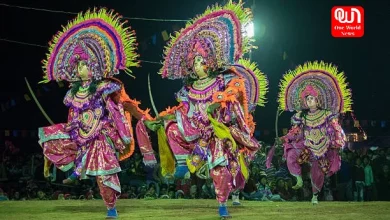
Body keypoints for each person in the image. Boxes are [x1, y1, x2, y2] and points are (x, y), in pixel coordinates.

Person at [143, 1, 268, 218]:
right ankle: (182, 164)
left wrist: (220, 102)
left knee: (220, 167)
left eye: (201, 60)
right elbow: (184, 109)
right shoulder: (188, 88)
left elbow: (235, 92)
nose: (197, 65)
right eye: (194, 62)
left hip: (217, 131)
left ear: (210, 61)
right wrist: (163, 118)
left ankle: (222, 203)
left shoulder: (224, 80)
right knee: (171, 127)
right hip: (195, 131)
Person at [37, 8, 154, 218]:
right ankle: (74, 169)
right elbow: (72, 115)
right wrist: (72, 127)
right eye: (78, 65)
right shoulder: (73, 93)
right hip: (81, 132)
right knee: (52, 136)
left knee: (103, 173)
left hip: (101, 133)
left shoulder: (104, 87)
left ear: (93, 67)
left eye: (83, 65)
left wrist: (129, 129)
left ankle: (111, 208)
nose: (79, 69)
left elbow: (119, 108)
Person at [276, 61, 352, 205]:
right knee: (292, 153)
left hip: (323, 148)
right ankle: (297, 177)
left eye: (311, 98)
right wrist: (284, 138)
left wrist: (337, 141)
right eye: (307, 99)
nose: (309, 101)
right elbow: (295, 131)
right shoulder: (301, 116)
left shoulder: (327, 114)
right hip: (307, 147)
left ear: (317, 100)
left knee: (318, 172)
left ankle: (315, 195)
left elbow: (336, 129)